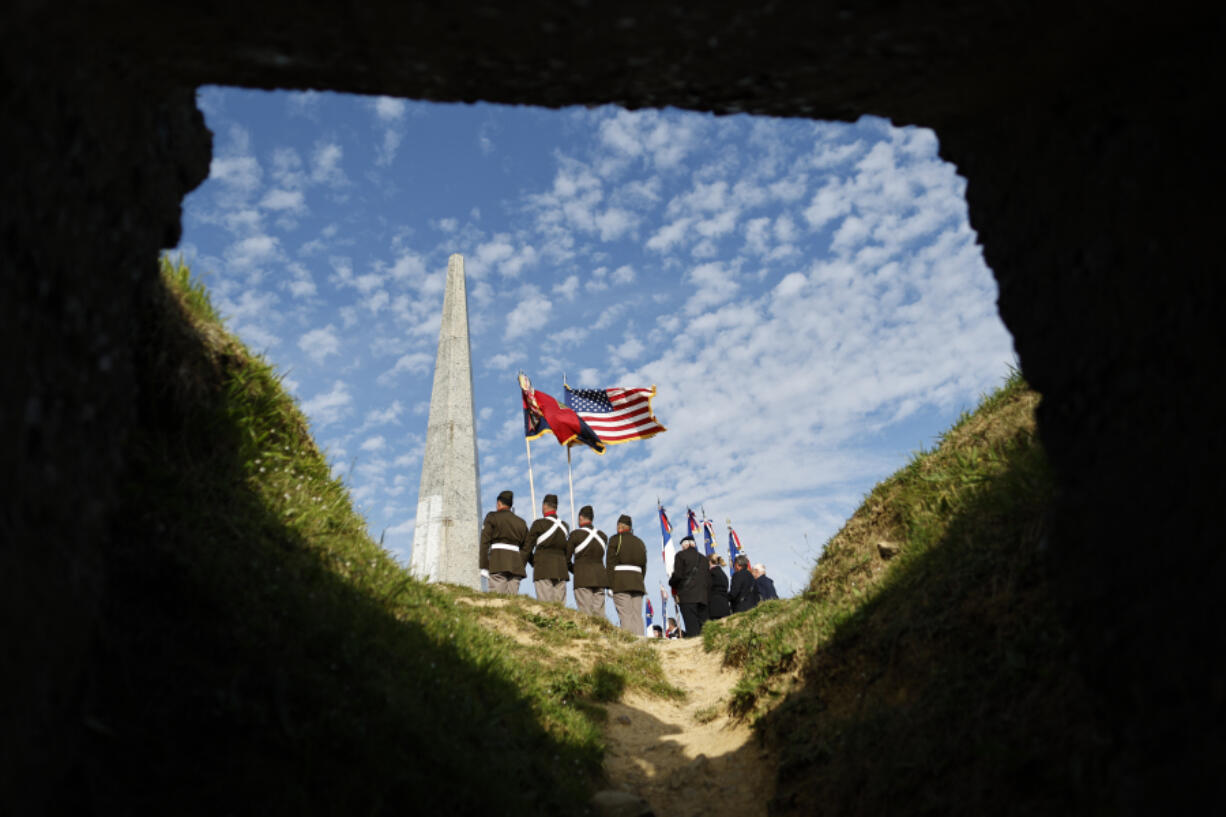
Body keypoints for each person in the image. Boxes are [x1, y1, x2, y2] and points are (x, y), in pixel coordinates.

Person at [479, 490, 529, 594]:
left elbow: (484, 541)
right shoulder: (521, 522)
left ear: (499, 503)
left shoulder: (492, 517)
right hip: (516, 566)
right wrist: (521, 563)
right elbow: (527, 547)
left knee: (498, 600)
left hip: (498, 562)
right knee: (512, 602)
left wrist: (484, 565)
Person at [606, 513, 647, 635]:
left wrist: (609, 586)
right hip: (638, 584)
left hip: (621, 583)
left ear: (620, 526)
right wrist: (640, 581)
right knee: (637, 617)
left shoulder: (615, 539)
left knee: (626, 616)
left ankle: (630, 645)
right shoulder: (640, 542)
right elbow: (644, 566)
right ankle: (641, 644)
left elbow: (610, 564)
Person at [566, 504, 607, 617]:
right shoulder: (603, 536)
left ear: (580, 518)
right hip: (600, 579)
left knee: (586, 616)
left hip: (582, 578)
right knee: (599, 616)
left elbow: (566, 559)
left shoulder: (575, 535)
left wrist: (575, 570)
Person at [527, 493, 570, 603]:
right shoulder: (565, 527)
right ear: (556, 507)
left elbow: (527, 548)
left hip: (543, 568)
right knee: (560, 610)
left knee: (546, 608)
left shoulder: (538, 524)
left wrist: (533, 562)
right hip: (561, 570)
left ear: (544, 506)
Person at [668, 533, 709, 637]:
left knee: (692, 628)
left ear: (685, 545)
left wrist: (671, 582)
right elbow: (708, 579)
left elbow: (678, 575)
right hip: (703, 598)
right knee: (704, 629)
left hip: (687, 597)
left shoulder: (680, 555)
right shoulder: (704, 559)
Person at [707, 553, 731, 620]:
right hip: (725, 606)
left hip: (714, 607)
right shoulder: (723, 574)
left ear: (709, 562)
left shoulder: (711, 573)